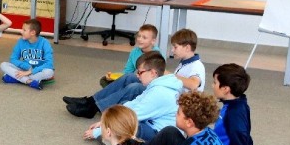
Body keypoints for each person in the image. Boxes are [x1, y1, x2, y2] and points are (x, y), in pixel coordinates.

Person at [67, 28, 203, 118]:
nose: (172, 50)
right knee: (130, 76)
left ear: (187, 47)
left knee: (135, 87)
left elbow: (194, 84)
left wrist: (168, 74)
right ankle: (90, 101)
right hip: (170, 94)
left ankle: (94, 107)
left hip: (176, 102)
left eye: (175, 47)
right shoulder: (185, 62)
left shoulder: (196, 66)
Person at [83, 52, 181, 143]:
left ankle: (111, 137)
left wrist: (100, 130)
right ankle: (112, 133)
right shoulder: (157, 85)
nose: (137, 76)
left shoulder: (159, 93)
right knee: (125, 105)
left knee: (127, 123)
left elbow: (132, 116)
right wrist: (104, 121)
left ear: (152, 73)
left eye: (140, 72)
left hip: (159, 136)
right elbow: (135, 103)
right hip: (152, 123)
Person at [0, 19, 54, 90]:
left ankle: (16, 79)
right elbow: (13, 59)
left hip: (38, 71)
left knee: (49, 72)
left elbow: (49, 64)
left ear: (32, 32)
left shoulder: (45, 43)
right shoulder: (21, 41)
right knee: (3, 65)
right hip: (24, 69)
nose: (21, 31)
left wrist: (31, 71)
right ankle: (29, 81)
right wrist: (27, 67)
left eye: (24, 30)